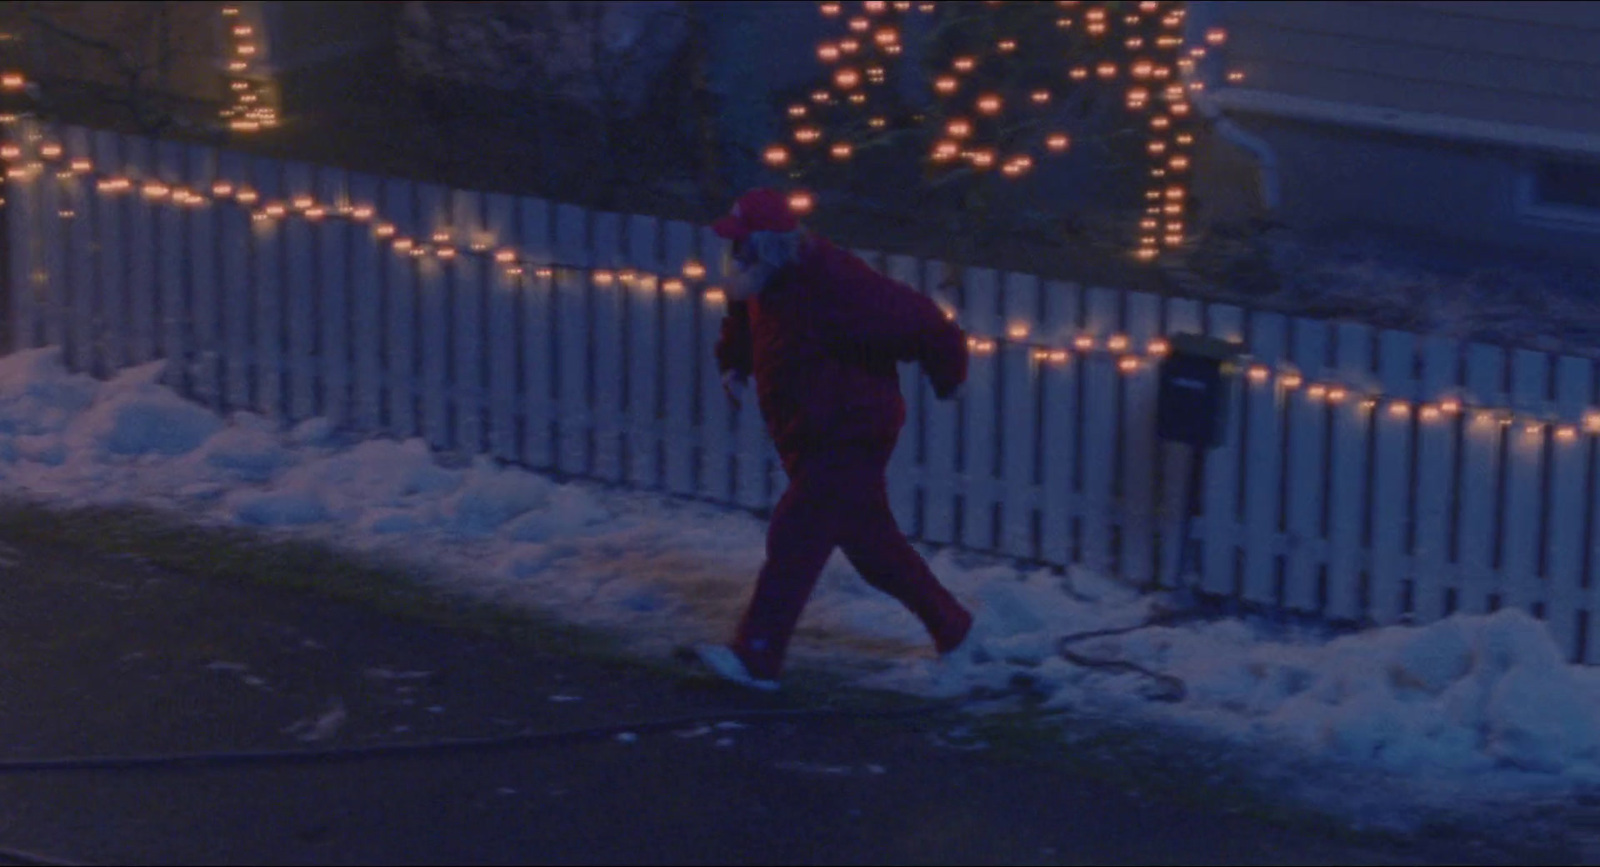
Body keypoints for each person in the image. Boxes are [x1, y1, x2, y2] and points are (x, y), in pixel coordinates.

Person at [691, 188, 977, 691]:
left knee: (796, 533)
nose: (732, 253)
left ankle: (757, 657)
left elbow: (922, 321)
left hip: (852, 431)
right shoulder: (761, 278)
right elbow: (741, 316)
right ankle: (955, 629)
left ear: (769, 244)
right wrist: (733, 365)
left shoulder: (835, 281)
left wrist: (948, 375)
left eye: (741, 243)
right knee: (873, 548)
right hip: (809, 433)